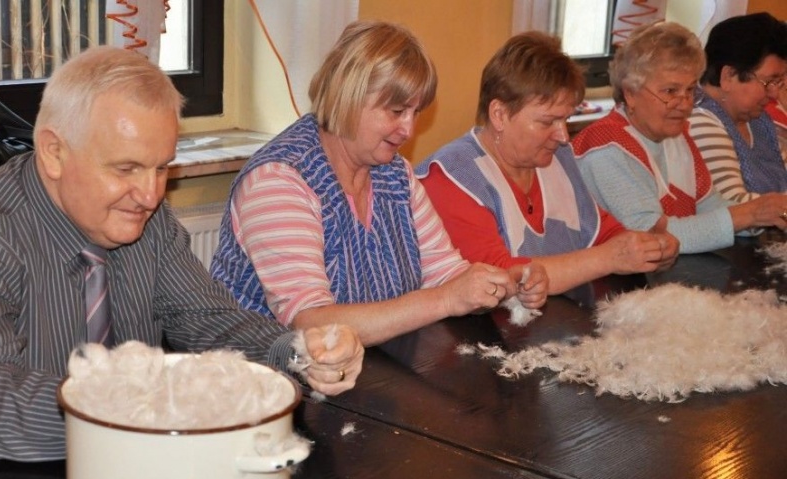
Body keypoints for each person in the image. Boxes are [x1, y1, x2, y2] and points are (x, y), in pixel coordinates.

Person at [0, 46, 364, 477]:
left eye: (162, 167)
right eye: (126, 168)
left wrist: (300, 353)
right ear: (53, 152)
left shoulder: (142, 220)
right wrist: (156, 406)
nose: (151, 194)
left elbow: (210, 321)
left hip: (111, 475)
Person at [209, 21, 547, 347]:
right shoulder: (279, 180)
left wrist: (503, 283)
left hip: (360, 374)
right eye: (397, 111)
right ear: (347, 96)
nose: (408, 130)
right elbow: (312, 323)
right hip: (265, 385)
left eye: (415, 113)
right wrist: (446, 299)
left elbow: (443, 271)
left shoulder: (395, 174)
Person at [416, 32, 679, 295]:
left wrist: (647, 248)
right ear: (499, 114)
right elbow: (499, 277)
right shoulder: (450, 176)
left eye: (565, 119)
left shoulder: (558, 158)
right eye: (546, 122)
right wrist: (609, 258)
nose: (563, 135)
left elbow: (604, 233)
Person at [573, 22, 787, 254]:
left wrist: (761, 215)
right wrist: (751, 213)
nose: (685, 103)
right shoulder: (605, 146)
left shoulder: (677, 136)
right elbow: (651, 236)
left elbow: (710, 206)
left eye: (689, 90)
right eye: (670, 91)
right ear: (630, 93)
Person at [688, 13, 787, 205]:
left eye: (779, 82)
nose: (775, 93)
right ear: (728, 76)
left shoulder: (757, 120)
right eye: (768, 81)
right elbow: (734, 207)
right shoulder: (700, 120)